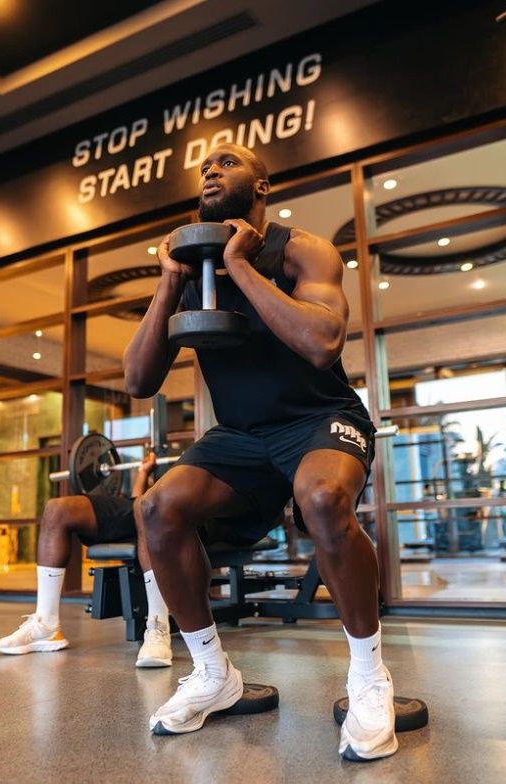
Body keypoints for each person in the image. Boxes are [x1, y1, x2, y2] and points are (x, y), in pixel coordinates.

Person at [123, 143, 397, 761]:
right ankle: (212, 674)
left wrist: (240, 265)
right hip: (242, 436)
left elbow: (323, 343)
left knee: (322, 499)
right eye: (204, 168)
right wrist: (171, 281)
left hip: (320, 418)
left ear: (262, 185)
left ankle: (368, 677)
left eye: (227, 162)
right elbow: (139, 380)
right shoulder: (191, 272)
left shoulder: (301, 250)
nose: (210, 171)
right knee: (157, 508)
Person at [0, 451, 286, 667]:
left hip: (189, 514)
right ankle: (46, 626)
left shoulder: (233, 464)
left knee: (147, 508)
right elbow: (140, 499)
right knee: (58, 510)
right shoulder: (205, 452)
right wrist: (144, 473)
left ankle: (158, 626)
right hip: (145, 505)